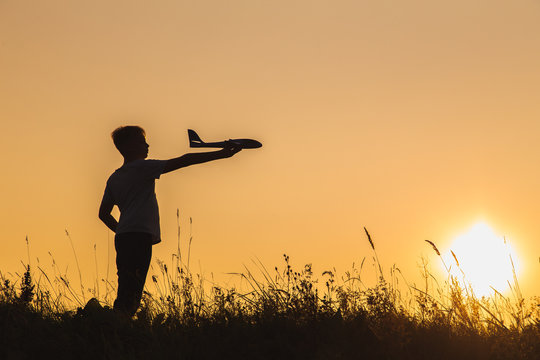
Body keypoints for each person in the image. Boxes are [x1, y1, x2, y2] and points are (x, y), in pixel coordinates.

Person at [99, 125, 242, 316]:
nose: (147, 145)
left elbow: (103, 214)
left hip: (124, 237)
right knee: (133, 290)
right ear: (130, 146)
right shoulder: (142, 167)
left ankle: (113, 323)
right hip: (138, 237)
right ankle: (117, 326)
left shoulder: (114, 177)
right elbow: (184, 161)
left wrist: (122, 230)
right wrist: (222, 154)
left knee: (126, 285)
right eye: (142, 142)